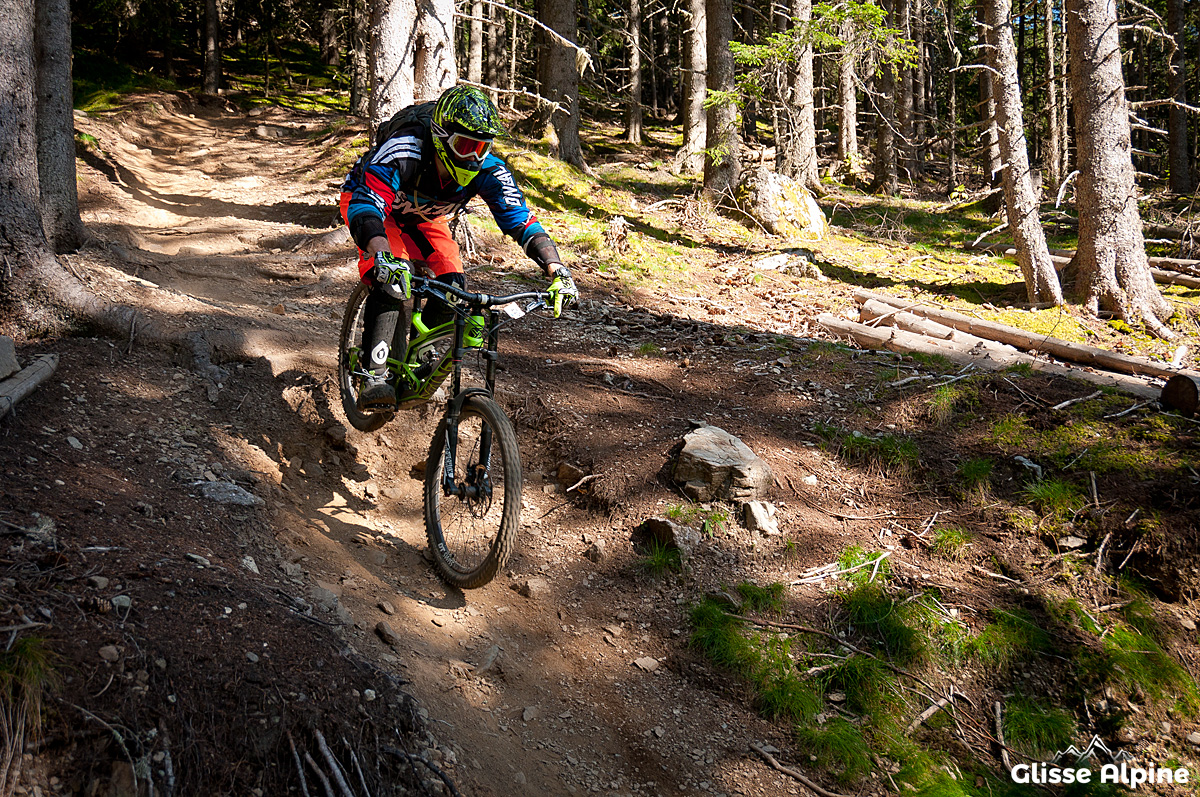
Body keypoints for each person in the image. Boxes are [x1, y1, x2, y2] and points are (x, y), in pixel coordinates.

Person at [339, 85, 579, 411]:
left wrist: (556, 268)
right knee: (392, 277)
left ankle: (422, 362)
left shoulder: (489, 168)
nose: (473, 157)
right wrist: (380, 253)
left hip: (425, 218)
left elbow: (521, 220)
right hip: (374, 211)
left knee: (453, 285)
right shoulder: (404, 150)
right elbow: (367, 204)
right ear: (440, 137)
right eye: (465, 146)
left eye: (482, 147)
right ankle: (373, 376)